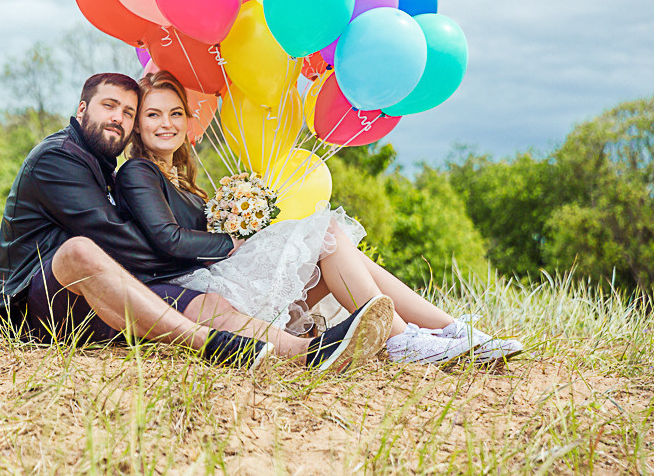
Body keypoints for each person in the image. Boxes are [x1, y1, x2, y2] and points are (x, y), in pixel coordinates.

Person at [0, 72, 395, 372]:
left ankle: (313, 353)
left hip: (96, 299)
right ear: (82, 110)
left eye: (127, 112)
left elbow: (133, 247)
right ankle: (214, 346)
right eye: (108, 106)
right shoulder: (58, 158)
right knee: (78, 250)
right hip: (36, 305)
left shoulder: (103, 164)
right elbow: (116, 242)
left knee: (211, 302)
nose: (118, 118)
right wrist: (219, 251)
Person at [114, 70, 523, 364]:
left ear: (187, 120)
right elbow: (167, 239)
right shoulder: (137, 171)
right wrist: (234, 243)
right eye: (153, 114)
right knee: (325, 232)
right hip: (194, 290)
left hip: (219, 274)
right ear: (137, 124)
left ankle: (446, 330)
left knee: (332, 245)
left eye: (174, 113)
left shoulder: (183, 178)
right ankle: (407, 341)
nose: (165, 123)